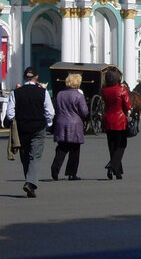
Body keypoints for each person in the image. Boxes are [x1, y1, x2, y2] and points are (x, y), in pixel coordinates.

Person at [4, 67, 54, 197]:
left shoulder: (16, 92)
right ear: (36, 77)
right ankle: (30, 183)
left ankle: (30, 182)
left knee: (25, 156)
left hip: (22, 128)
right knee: (35, 156)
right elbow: (50, 112)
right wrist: (48, 123)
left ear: (25, 77)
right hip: (38, 127)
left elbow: (10, 114)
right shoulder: (43, 92)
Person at [51, 72, 89, 181]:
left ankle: (55, 168)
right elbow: (84, 112)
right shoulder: (78, 95)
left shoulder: (60, 94)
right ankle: (72, 173)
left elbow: (57, 108)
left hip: (61, 122)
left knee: (62, 148)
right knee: (75, 150)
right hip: (75, 124)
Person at [101, 65, 131, 180]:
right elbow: (127, 105)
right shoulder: (121, 89)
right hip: (120, 120)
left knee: (112, 146)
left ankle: (117, 172)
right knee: (122, 145)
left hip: (108, 119)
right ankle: (112, 165)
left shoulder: (104, 90)